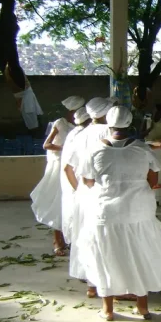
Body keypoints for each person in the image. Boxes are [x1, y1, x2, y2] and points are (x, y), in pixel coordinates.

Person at [78, 106, 161, 321]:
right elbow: (153, 181)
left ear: (109, 125)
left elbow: (87, 181)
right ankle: (142, 307)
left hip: (105, 213)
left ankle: (108, 310)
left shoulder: (95, 150)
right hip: (138, 212)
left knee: (107, 256)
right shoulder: (142, 149)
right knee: (140, 255)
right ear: (130, 124)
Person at [64, 97, 112, 299]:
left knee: (85, 236)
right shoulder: (109, 132)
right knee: (105, 238)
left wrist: (78, 190)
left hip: (83, 192)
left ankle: (90, 282)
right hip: (104, 192)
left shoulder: (80, 134)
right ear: (103, 113)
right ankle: (107, 283)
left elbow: (68, 168)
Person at [31, 95, 84, 256]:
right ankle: (58, 241)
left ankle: (72, 240)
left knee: (74, 204)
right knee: (58, 205)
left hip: (73, 167)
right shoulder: (60, 123)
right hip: (59, 167)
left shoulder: (80, 126)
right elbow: (46, 144)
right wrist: (65, 148)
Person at [60, 106, 91, 281]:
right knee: (85, 230)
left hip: (77, 187)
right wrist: (80, 188)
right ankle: (87, 272)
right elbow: (68, 168)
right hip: (80, 187)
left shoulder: (74, 134)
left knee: (80, 229)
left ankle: (86, 271)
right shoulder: (81, 136)